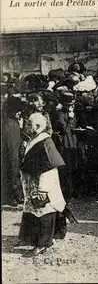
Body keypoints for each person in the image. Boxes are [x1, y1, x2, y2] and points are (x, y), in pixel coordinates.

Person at [18, 113, 67, 257]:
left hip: (43, 181)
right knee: (33, 209)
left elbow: (49, 166)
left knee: (44, 210)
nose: (26, 127)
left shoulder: (45, 142)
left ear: (38, 126)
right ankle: (32, 238)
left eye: (29, 124)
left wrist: (42, 187)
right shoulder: (34, 138)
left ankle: (44, 243)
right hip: (32, 180)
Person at [1, 96, 24, 206]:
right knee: (13, 167)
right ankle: (14, 195)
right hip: (12, 154)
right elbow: (13, 150)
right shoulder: (12, 124)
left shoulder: (6, 121)